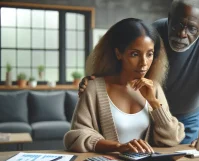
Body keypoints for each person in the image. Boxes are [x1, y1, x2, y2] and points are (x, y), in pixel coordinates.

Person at [79, 0, 199, 145]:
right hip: (151, 111)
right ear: (169, 17)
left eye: (191, 28)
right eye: (177, 24)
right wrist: (98, 81)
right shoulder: (153, 31)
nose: (182, 33)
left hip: (188, 115)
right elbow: (128, 67)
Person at [64, 18, 185, 153]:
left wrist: (154, 103)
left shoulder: (154, 88)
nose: (144, 63)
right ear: (118, 53)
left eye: (149, 54)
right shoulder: (94, 88)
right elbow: (76, 136)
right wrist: (119, 147)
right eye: (135, 54)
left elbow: (173, 138)